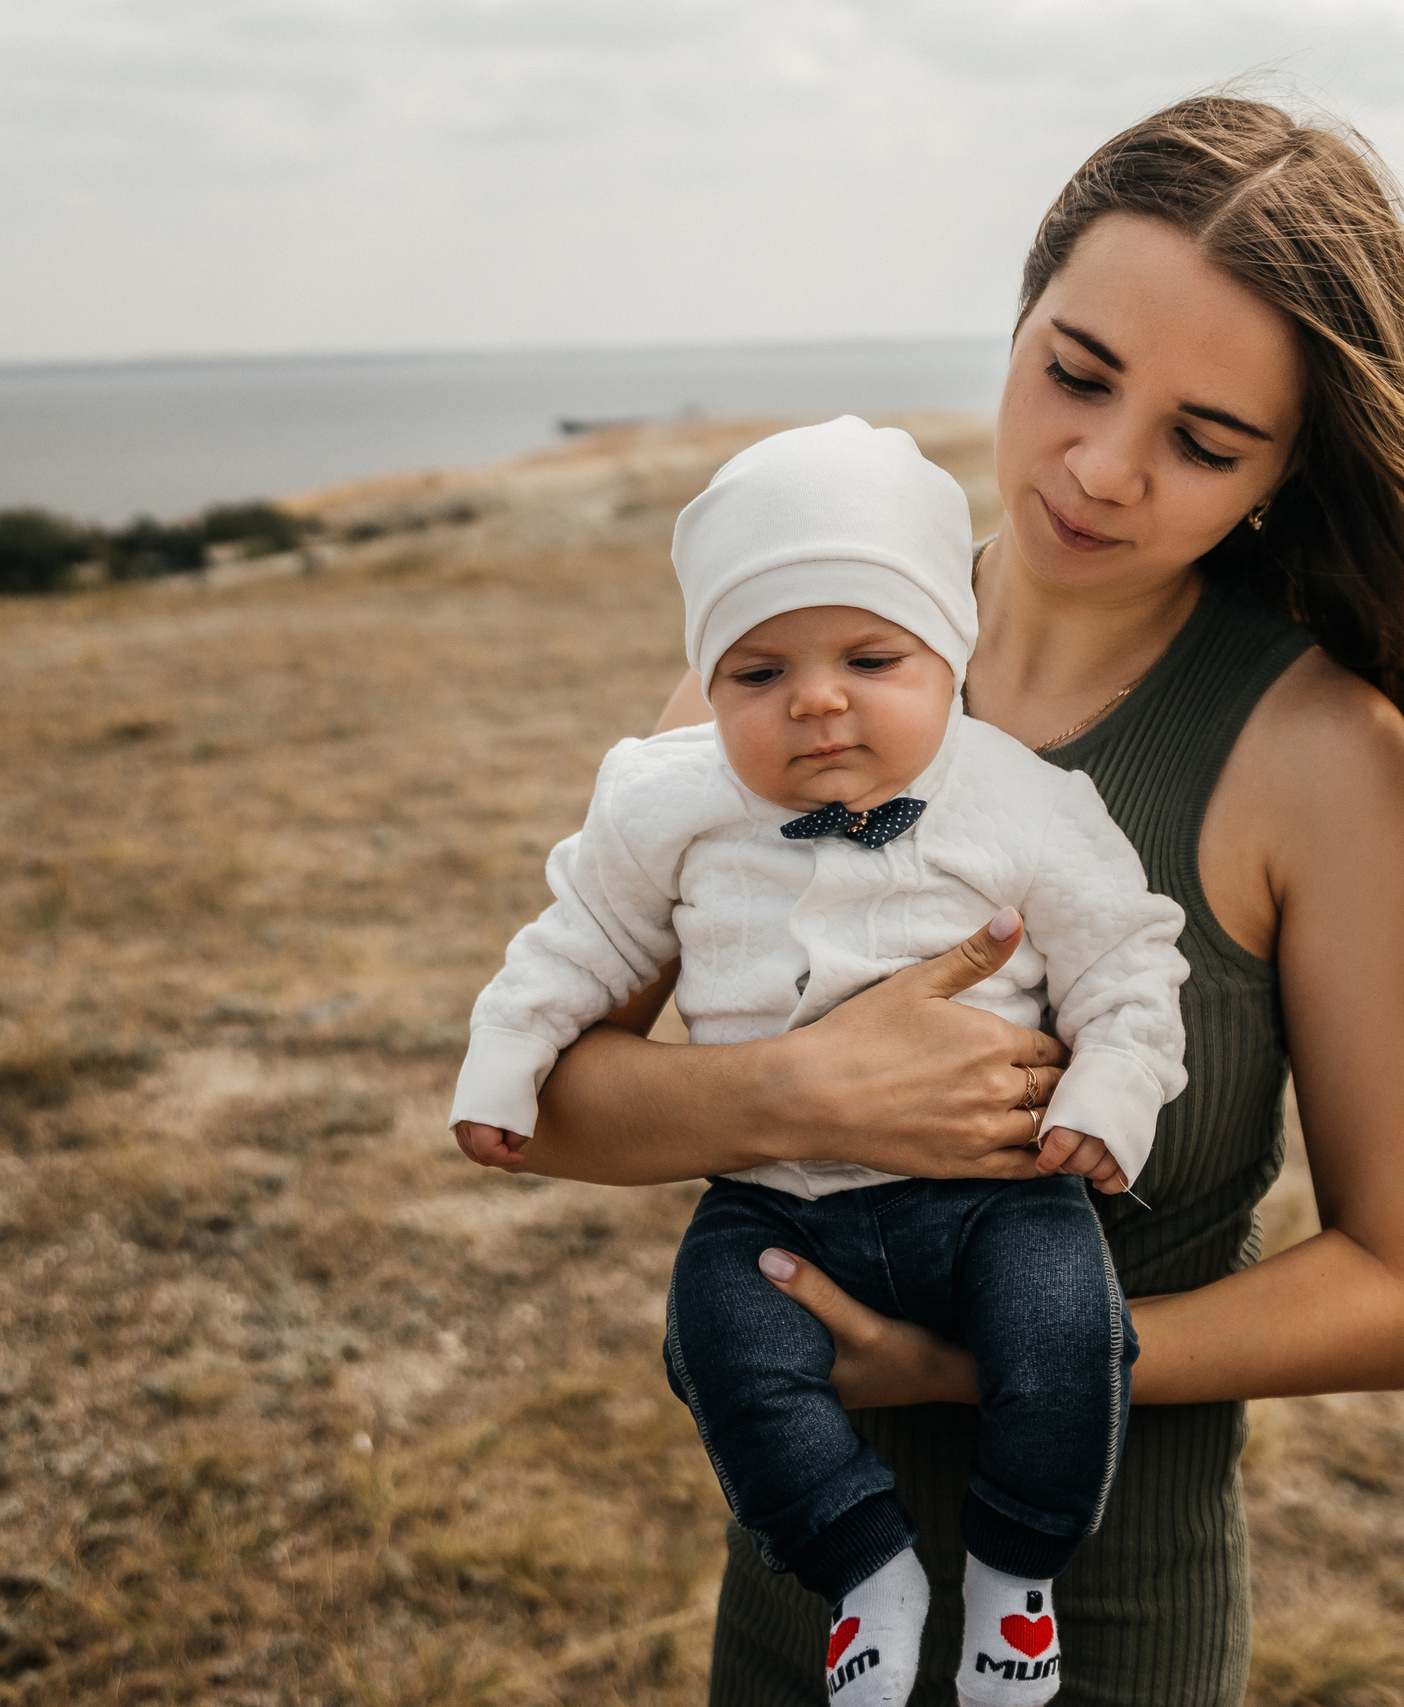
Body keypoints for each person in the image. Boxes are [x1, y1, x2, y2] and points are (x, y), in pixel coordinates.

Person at [457, 95, 1404, 1704]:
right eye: (1077, 373)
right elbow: (536, 1109)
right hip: (797, 1629)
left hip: (1108, 1635)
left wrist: (978, 1372)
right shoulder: (791, 668)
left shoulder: (1320, 756)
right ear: (1022, 318)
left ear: (1285, 470)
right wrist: (789, 1092)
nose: (1102, 470)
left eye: (1202, 441)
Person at [450, 415, 1190, 1706]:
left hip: (996, 1193)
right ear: (711, 683)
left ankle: (1017, 1581)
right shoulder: (663, 803)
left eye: (869, 655)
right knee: (720, 1341)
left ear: (948, 656)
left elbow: (1128, 963)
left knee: (1070, 1333)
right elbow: (575, 943)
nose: (818, 698)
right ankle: (865, 1567)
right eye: (756, 673)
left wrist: (1110, 1095)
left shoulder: (1025, 802)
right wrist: (504, 1064)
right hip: (772, 1198)